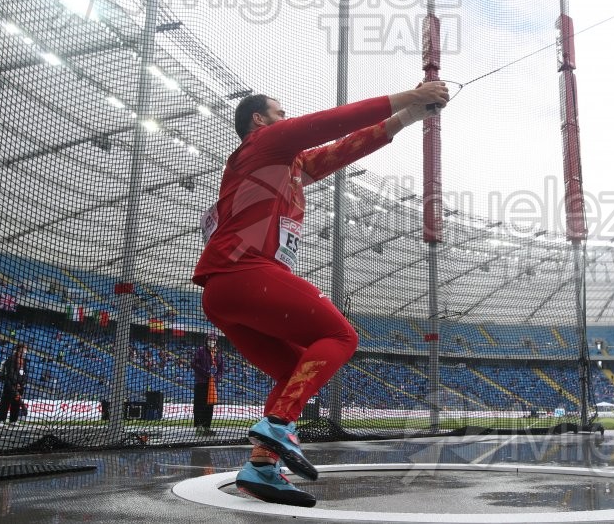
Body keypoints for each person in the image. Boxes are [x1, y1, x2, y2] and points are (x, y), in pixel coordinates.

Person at [193, 82, 450, 506]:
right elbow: (333, 122)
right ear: (259, 120)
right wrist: (412, 94)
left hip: (225, 292)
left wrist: (409, 117)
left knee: (295, 367)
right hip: (247, 273)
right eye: (279, 111)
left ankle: (260, 467)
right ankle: (277, 427)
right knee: (342, 337)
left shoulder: (286, 166)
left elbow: (345, 147)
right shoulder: (266, 142)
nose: (284, 117)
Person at [191, 332, 224, 436]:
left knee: (209, 406)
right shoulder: (201, 350)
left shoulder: (218, 353)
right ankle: (199, 427)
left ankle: (206, 427)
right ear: (206, 341)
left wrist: (216, 378)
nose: (212, 342)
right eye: (210, 340)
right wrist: (206, 373)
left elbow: (221, 369)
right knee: (199, 404)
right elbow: (194, 363)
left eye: (214, 340)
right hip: (201, 382)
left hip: (212, 384)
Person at [0, 343, 28, 426]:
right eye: (24, 349)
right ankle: (1, 421)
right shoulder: (11, 359)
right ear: (19, 349)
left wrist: (21, 383)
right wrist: (15, 382)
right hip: (10, 384)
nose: (25, 351)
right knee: (5, 402)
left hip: (19, 386)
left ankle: (13, 420)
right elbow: (10, 373)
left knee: (16, 403)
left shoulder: (23, 361)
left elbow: (25, 373)